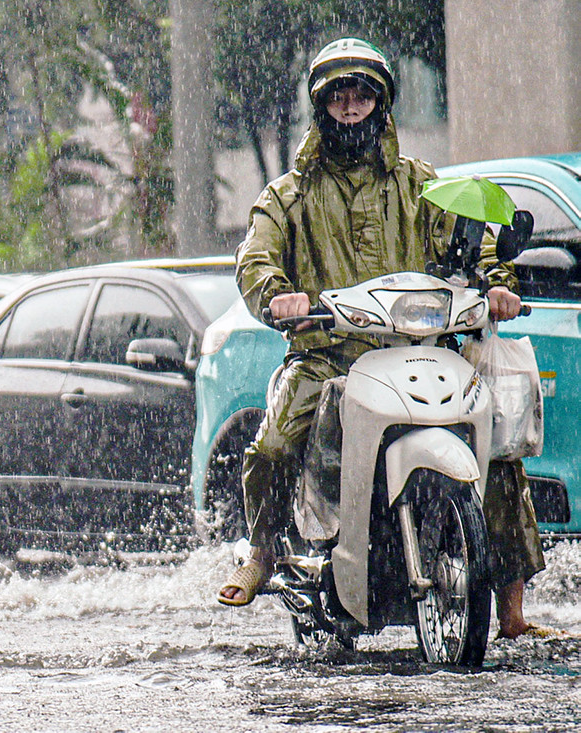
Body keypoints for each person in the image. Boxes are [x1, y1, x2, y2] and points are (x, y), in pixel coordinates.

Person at [217, 39, 550, 640]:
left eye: (362, 96)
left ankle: (512, 611)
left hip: (419, 350)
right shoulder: (288, 195)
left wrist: (498, 283)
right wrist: (277, 294)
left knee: (499, 445)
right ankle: (262, 552)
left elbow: (477, 246)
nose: (351, 107)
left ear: (382, 103)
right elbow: (255, 259)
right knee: (275, 444)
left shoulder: (421, 185)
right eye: (339, 97)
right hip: (328, 356)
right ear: (321, 107)